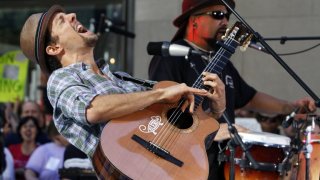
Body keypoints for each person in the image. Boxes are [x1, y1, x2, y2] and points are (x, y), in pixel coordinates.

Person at [19, 4, 226, 179]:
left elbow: (179, 126)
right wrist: (161, 94)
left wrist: (215, 111)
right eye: (62, 21)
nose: (73, 15)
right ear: (54, 49)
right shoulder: (61, 78)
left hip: (162, 167)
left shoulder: (121, 78)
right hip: (125, 169)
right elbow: (91, 109)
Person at [148, 0, 317, 179]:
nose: (225, 22)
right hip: (183, 164)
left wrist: (290, 107)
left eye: (227, 16)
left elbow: (250, 98)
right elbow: (163, 114)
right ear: (194, 20)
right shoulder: (170, 57)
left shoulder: (221, 62)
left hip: (222, 164)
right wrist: (211, 130)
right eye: (217, 15)